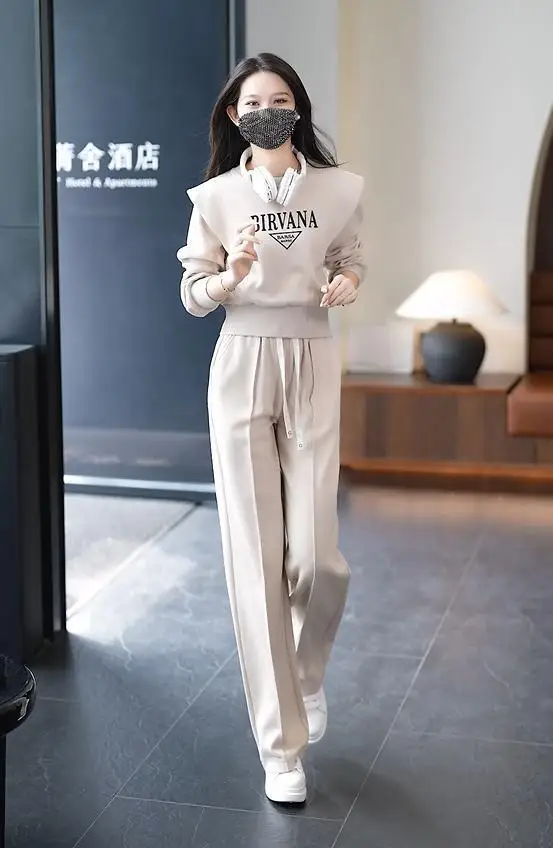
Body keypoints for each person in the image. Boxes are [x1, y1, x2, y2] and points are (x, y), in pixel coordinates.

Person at [177, 52, 365, 805]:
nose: (266, 111)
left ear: (298, 108)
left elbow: (351, 260)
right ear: (234, 115)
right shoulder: (215, 197)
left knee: (317, 558)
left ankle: (305, 673)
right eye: (252, 102)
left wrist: (346, 281)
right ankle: (280, 748)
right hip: (242, 360)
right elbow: (193, 293)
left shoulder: (338, 189)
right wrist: (229, 276)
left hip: (312, 355)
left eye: (280, 99)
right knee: (254, 560)